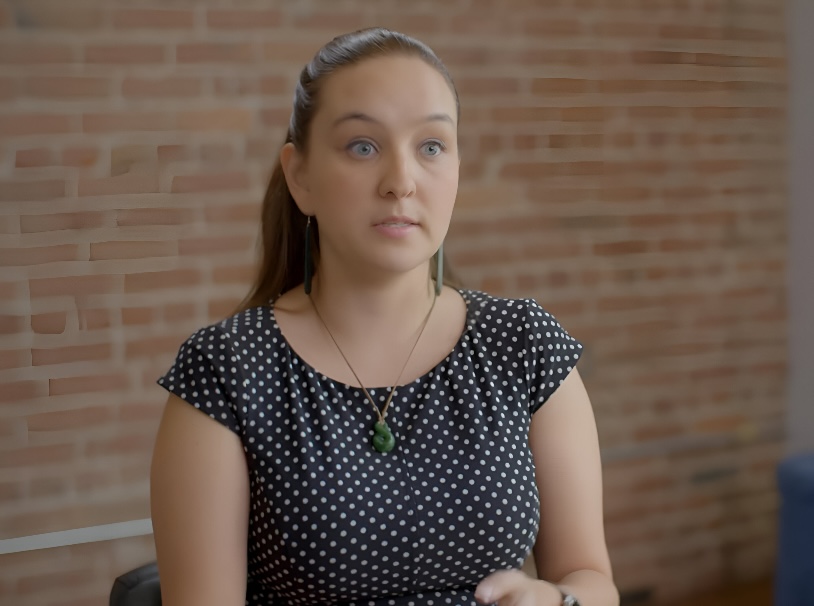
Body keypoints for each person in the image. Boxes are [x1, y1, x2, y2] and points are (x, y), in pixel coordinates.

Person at [150, 27, 619, 606]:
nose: (401, 182)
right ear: (300, 176)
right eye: (363, 147)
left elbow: (591, 580)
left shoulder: (522, 345)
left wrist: (557, 601)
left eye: (431, 147)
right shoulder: (228, 371)